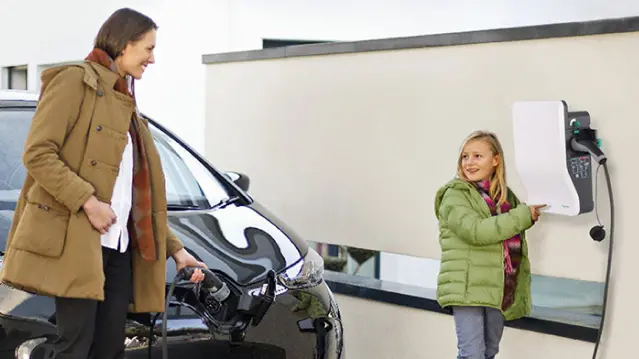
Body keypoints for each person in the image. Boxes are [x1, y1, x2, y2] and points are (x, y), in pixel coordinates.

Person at [0, 8, 208, 359]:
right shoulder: (74, 81)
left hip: (119, 249)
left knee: (110, 349)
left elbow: (137, 195)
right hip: (78, 243)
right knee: (74, 347)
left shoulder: (125, 101)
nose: (152, 59)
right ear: (125, 45)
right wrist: (88, 202)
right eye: (148, 49)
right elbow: (38, 153)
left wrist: (176, 249)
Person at [434, 130, 545, 359]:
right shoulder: (455, 195)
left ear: (496, 161)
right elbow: (476, 231)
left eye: (477, 156)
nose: (469, 162)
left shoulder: (504, 198)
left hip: (498, 285)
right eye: (465, 156)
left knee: (490, 352)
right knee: (472, 354)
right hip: (466, 287)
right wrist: (522, 216)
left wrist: (529, 215)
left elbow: (510, 227)